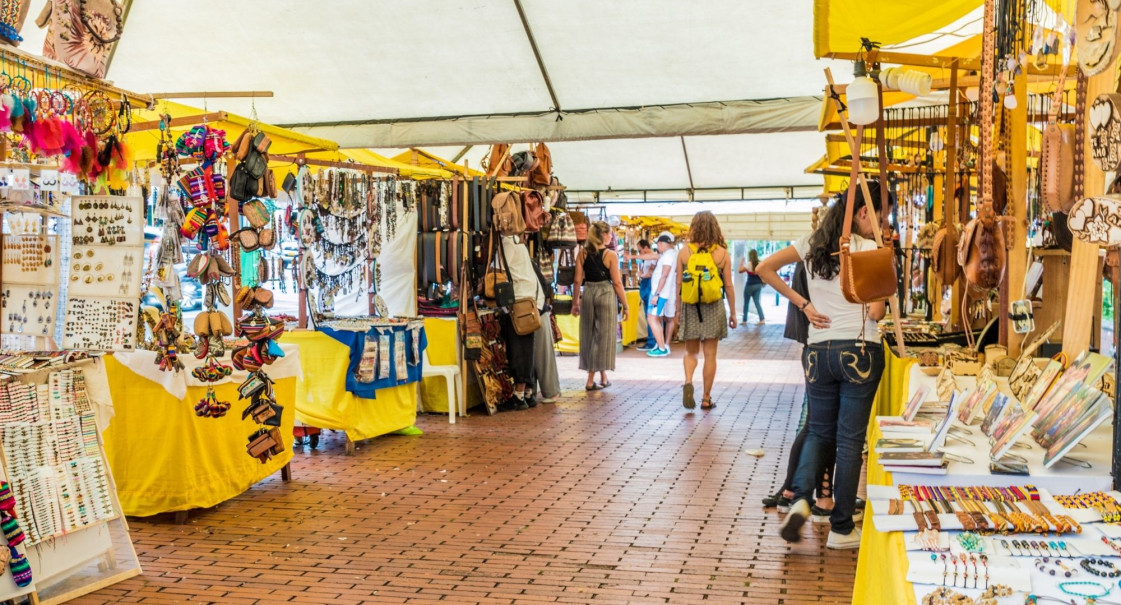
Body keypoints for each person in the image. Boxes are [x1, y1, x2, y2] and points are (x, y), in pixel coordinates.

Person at [757, 180, 891, 550]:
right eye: (880, 218)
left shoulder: (812, 243)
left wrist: (805, 305)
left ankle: (801, 496)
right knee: (850, 442)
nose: (881, 225)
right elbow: (877, 312)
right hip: (860, 350)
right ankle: (841, 528)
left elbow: (764, 268)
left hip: (818, 351)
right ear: (864, 213)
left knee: (818, 431)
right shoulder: (870, 249)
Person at [675, 212, 736, 410]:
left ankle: (688, 380)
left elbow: (678, 285)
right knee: (710, 354)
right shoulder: (722, 254)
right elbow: (728, 285)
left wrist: (677, 311)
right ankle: (706, 398)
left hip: (691, 306)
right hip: (713, 306)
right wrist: (733, 313)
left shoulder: (685, 252)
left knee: (690, 351)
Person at [573, 221, 629, 391]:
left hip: (588, 292)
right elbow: (617, 283)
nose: (611, 236)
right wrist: (625, 305)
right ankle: (590, 380)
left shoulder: (582, 254)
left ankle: (603, 377)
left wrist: (576, 302)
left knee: (590, 335)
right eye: (609, 233)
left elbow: (577, 281)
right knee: (603, 337)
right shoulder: (611, 255)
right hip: (605, 293)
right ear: (602, 235)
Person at [497, 234, 546, 411]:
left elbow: (500, 271)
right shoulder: (517, 241)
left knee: (519, 348)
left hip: (521, 301)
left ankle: (519, 395)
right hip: (531, 299)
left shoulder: (506, 243)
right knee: (526, 346)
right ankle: (528, 392)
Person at [530, 256, 561, 404]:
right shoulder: (527, 261)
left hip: (537, 311)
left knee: (543, 354)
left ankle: (551, 392)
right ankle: (548, 391)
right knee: (541, 354)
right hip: (537, 310)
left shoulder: (525, 262)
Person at [646, 232, 678, 357]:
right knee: (655, 318)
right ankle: (662, 345)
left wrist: (657, 294)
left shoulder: (668, 256)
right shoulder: (670, 254)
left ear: (660, 244)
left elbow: (664, 275)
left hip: (660, 293)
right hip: (663, 293)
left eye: (658, 246)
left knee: (652, 318)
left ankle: (662, 347)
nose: (658, 249)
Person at [632, 240, 658, 352]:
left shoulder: (652, 258)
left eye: (640, 250)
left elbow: (648, 274)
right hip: (647, 285)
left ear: (646, 247)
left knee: (650, 315)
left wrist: (640, 275)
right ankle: (653, 340)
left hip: (649, 286)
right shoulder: (647, 258)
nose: (640, 252)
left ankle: (652, 341)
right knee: (650, 315)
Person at [738, 249, 765, 325]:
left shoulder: (749, 264)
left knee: (746, 303)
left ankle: (744, 320)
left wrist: (741, 263)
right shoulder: (760, 263)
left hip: (750, 285)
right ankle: (762, 319)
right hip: (758, 285)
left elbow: (740, 271)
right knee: (757, 302)